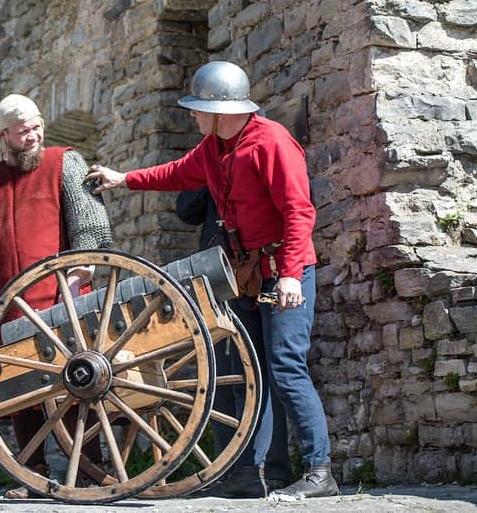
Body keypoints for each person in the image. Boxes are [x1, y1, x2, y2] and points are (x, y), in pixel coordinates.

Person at [86, 61, 337, 500]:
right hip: (246, 276)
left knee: (286, 368)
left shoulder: (273, 142)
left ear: (221, 110)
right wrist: (124, 179)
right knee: (250, 372)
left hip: (283, 273)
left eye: (198, 109)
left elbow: (299, 211)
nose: (192, 115)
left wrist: (293, 275)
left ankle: (320, 471)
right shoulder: (214, 148)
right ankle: (247, 473)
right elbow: (177, 174)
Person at [0, 94, 113, 499]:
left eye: (37, 127)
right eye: (23, 131)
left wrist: (74, 286)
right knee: (17, 393)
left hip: (63, 304)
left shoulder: (64, 163)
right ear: (3, 135)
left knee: (80, 385)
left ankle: (91, 470)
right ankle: (31, 472)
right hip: (3, 310)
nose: (33, 136)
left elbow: (89, 231)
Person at [176, 187, 293, 497]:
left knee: (271, 368)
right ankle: (231, 468)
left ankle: (274, 468)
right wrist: (206, 181)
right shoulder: (211, 167)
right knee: (225, 375)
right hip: (222, 281)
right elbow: (186, 209)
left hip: (267, 282)